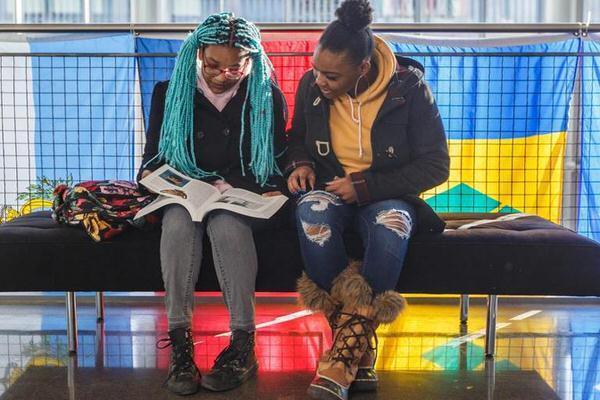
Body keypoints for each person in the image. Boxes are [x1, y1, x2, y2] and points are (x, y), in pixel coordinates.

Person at [285, 1, 450, 399]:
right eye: (316, 69)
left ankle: (345, 352)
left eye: (331, 75)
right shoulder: (311, 85)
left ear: (362, 69)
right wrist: (300, 162)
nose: (319, 81)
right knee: (311, 212)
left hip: (388, 194)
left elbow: (436, 166)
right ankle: (357, 345)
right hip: (329, 190)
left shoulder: (409, 90)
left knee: (390, 226)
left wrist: (365, 187)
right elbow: (294, 139)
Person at [138, 12, 288, 396]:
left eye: (236, 66)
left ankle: (242, 345)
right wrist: (191, 184)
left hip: (241, 199)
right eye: (213, 65)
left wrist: (239, 186)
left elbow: (272, 163)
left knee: (227, 225)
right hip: (186, 196)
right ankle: (181, 346)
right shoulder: (168, 94)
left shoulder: (267, 96)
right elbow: (151, 162)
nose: (224, 74)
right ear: (197, 54)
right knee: (176, 223)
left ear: (252, 60)